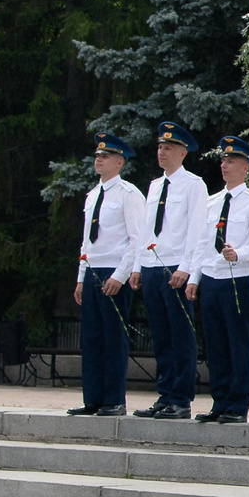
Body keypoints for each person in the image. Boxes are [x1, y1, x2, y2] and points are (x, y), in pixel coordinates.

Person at [185, 135, 249, 424]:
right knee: (215, 344)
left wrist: (240, 254)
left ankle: (237, 405)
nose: (225, 165)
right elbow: (201, 242)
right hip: (211, 277)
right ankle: (219, 401)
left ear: (246, 167)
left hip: (236, 277)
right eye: (223, 160)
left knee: (237, 342)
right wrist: (194, 277)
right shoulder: (212, 202)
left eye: (232, 161)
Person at [133, 119, 207, 420]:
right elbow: (145, 229)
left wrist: (186, 268)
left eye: (168, 148)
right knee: (161, 336)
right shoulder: (155, 186)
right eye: (160, 147)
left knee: (180, 335)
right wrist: (138, 265)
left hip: (175, 266)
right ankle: (164, 395)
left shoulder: (193, 185)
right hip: (152, 265)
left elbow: (197, 230)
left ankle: (180, 399)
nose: (161, 152)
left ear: (182, 152)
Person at [71, 133, 148, 418]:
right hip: (93, 268)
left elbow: (137, 238)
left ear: (119, 162)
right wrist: (81, 277)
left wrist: (120, 275)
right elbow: (87, 242)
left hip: (114, 270)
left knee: (113, 337)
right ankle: (93, 398)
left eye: (105, 156)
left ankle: (114, 400)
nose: (99, 160)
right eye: (97, 156)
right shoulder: (93, 195)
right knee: (92, 337)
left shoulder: (129, 194)